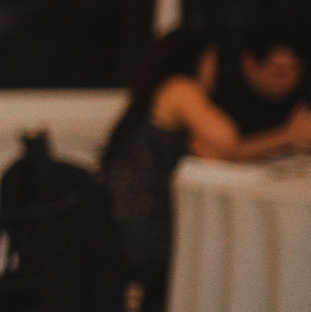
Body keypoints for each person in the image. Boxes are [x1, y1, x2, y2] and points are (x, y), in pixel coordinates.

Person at [102, 28, 311, 280]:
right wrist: (289, 134)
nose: (214, 69)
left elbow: (220, 152)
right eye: (212, 60)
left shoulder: (161, 92)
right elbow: (228, 140)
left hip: (127, 221)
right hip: (146, 227)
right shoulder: (180, 87)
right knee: (232, 249)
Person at [212, 26, 308, 137]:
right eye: (279, 73)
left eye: (297, 72)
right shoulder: (224, 95)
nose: (290, 80)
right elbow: (227, 149)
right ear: (249, 64)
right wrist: (288, 135)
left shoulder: (302, 93)